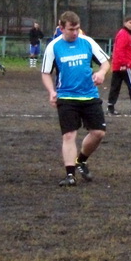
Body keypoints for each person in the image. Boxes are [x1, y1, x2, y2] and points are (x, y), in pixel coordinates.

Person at [41, 11, 110, 187]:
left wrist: (101, 73)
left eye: (77, 29)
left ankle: (81, 160)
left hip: (89, 95)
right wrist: (51, 91)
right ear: (61, 28)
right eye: (71, 29)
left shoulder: (87, 42)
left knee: (98, 133)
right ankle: (70, 175)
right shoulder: (53, 47)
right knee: (69, 135)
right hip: (66, 96)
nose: (75, 33)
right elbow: (46, 73)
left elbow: (105, 62)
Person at [107, 16, 131, 116]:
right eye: (130, 22)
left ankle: (110, 107)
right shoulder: (124, 34)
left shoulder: (125, 34)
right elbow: (120, 50)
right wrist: (123, 64)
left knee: (115, 86)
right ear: (125, 23)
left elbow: (129, 50)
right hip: (125, 66)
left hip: (117, 65)